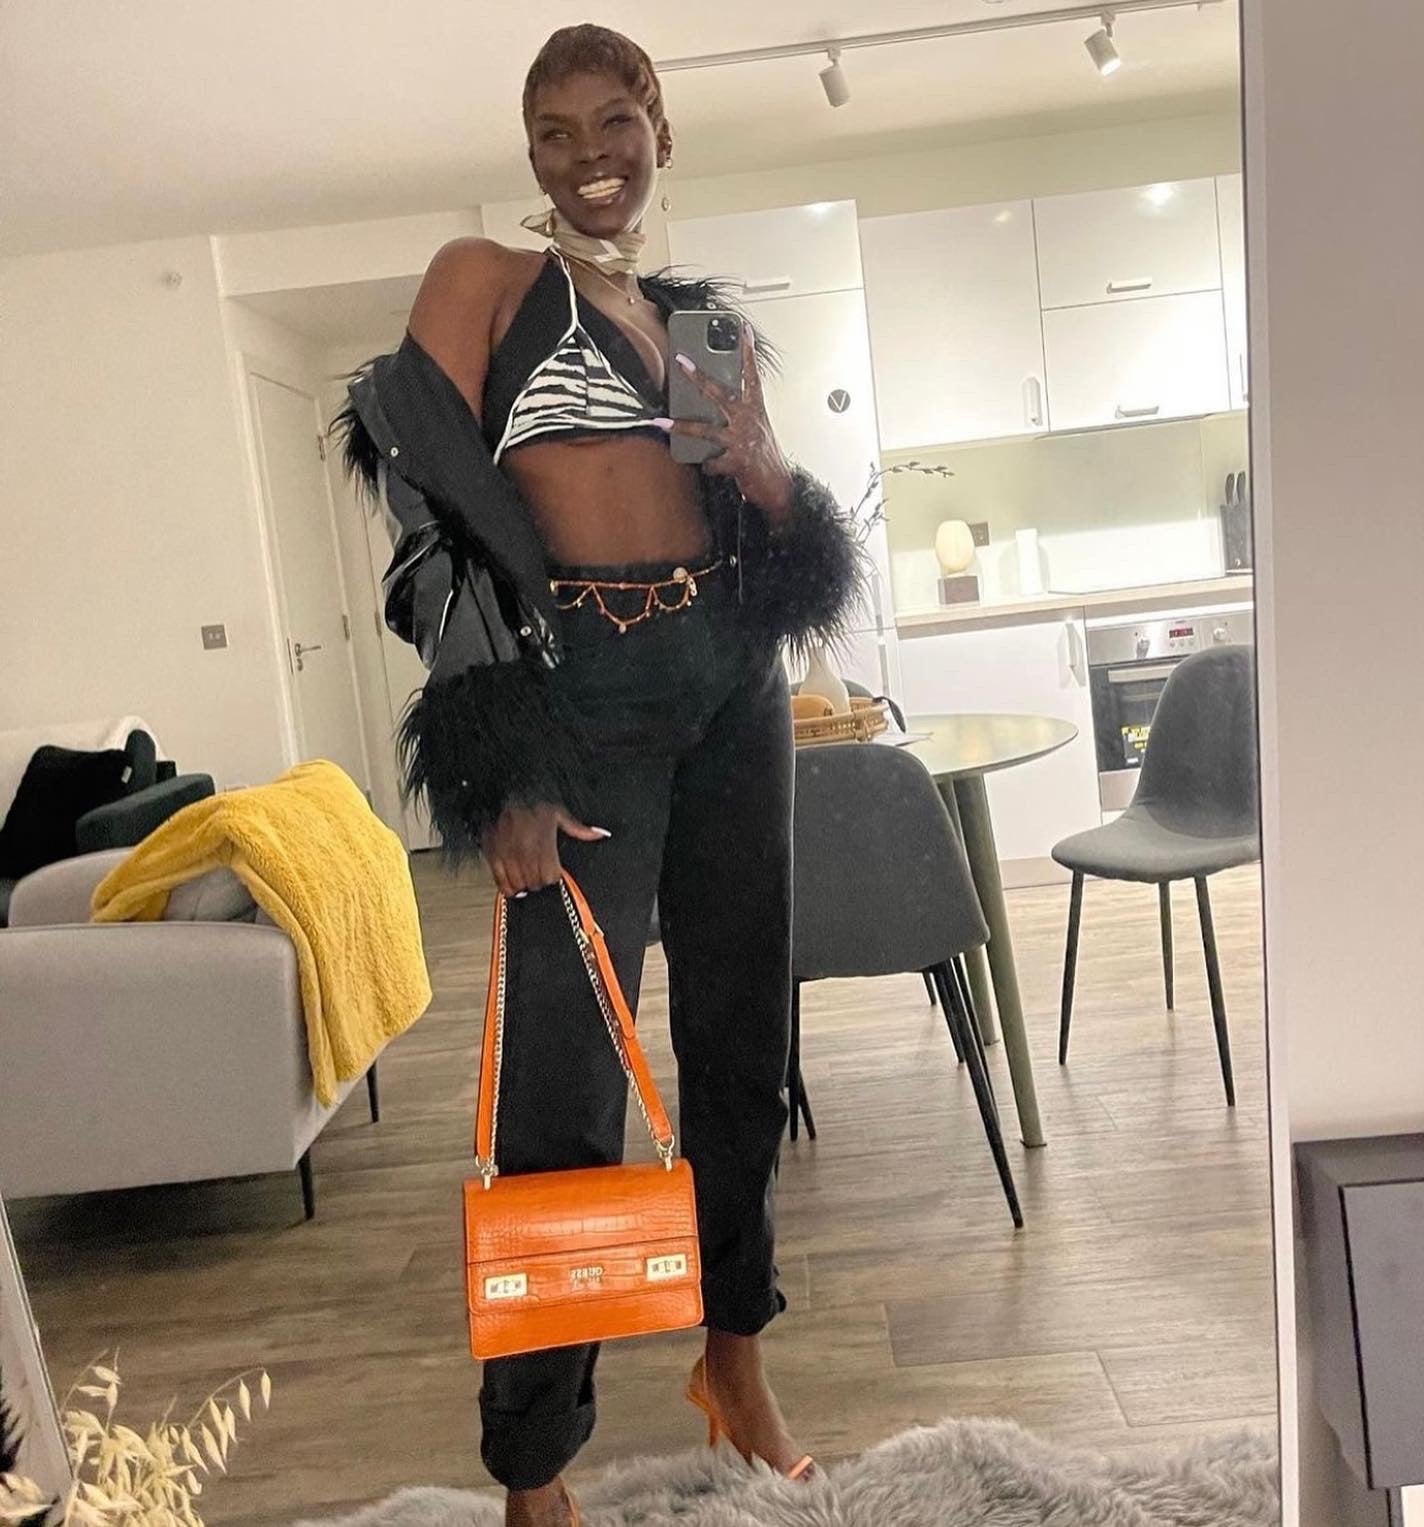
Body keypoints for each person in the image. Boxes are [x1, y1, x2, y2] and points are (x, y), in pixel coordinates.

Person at [335, 23, 861, 1527]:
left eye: (615, 120)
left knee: (742, 1035)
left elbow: (770, 534)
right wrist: (501, 753)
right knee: (562, 1081)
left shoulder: (699, 327)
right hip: (582, 698)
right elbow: (429, 521)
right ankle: (536, 1463)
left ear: (659, 131)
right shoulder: (485, 285)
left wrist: (767, 476)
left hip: (730, 682)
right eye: (556, 132)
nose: (589, 155)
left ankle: (735, 1362)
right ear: (531, 154)